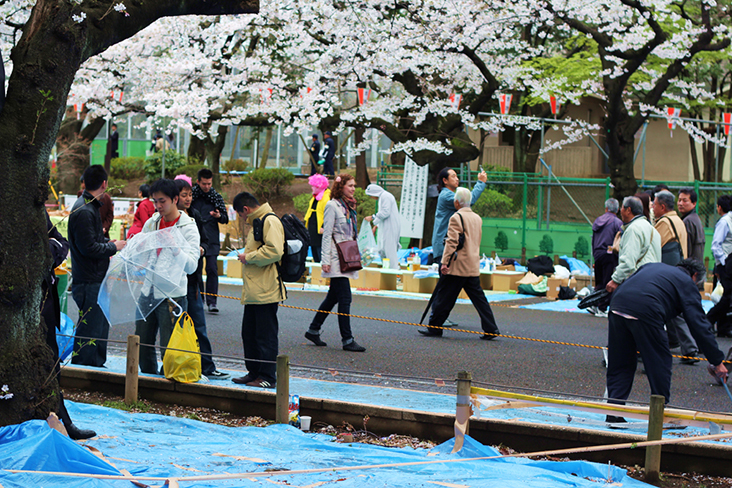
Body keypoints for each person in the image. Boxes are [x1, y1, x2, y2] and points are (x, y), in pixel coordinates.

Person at [605, 259, 727, 421]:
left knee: (620, 363)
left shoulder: (652, 266)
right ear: (695, 275)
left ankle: (614, 415)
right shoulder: (686, 282)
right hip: (647, 309)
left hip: (617, 305)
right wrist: (717, 361)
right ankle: (660, 416)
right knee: (659, 362)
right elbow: (699, 325)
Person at [134, 179, 200, 375]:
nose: (158, 206)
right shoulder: (152, 223)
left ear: (175, 199)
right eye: (155, 201)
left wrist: (175, 247)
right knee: (142, 342)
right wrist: (138, 249)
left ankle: (167, 384)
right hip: (148, 290)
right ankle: (147, 380)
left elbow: (191, 266)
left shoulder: (188, 227)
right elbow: (143, 256)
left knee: (170, 347)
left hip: (172, 295)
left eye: (162, 201)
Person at [418, 188, 501, 340]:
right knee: (479, 299)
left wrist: (444, 262)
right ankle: (491, 328)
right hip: (472, 264)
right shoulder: (477, 218)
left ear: (456, 202)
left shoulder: (456, 217)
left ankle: (435, 327)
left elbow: (451, 242)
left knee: (444, 297)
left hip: (457, 265)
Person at [42, 212, 96, 439]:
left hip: (45, 298)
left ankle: (63, 420)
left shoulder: (32, 202)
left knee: (50, 362)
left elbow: (59, 242)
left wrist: (49, 250)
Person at [69, 165, 125, 367]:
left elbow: (90, 244)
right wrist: (113, 247)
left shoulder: (89, 206)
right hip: (89, 280)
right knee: (90, 334)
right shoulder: (84, 210)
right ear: (104, 184)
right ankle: (86, 373)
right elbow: (88, 248)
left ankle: (95, 369)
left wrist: (106, 243)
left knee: (98, 329)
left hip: (94, 279)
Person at [174, 178, 230, 380]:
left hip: (193, 280)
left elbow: (205, 241)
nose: (188, 199)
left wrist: (201, 249)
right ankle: (174, 364)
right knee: (174, 328)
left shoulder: (195, 216)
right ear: (175, 197)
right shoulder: (166, 218)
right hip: (174, 282)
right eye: (184, 195)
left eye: (190, 194)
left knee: (199, 325)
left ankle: (207, 365)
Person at [304, 174, 366, 352]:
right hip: (335, 256)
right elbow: (327, 233)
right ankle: (347, 339)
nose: (353, 189)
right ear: (341, 187)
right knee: (345, 298)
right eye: (350, 186)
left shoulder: (349, 207)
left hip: (346, 254)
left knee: (333, 297)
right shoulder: (332, 205)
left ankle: (313, 329)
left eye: (354, 186)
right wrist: (325, 260)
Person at [231, 192, 286, 388]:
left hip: (266, 289)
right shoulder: (258, 222)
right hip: (255, 290)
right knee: (250, 334)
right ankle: (254, 372)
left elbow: (275, 251)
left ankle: (267, 377)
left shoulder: (269, 221)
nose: (241, 219)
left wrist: (249, 257)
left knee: (265, 336)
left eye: (240, 214)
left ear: (245, 209)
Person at [429, 166, 487, 326]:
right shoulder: (447, 196)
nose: (457, 179)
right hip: (445, 246)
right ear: (444, 180)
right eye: (453, 176)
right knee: (446, 286)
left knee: (448, 286)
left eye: (456, 176)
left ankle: (437, 319)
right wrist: (480, 183)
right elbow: (468, 201)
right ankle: (436, 317)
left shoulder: (448, 194)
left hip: (449, 246)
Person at [653, 189, 698, 361]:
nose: (653, 208)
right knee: (672, 309)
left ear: (662, 206)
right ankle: (678, 343)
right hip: (680, 270)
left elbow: (654, 245)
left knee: (670, 309)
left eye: (655, 205)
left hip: (667, 273)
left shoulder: (664, 222)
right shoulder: (678, 220)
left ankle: (690, 349)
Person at [191, 168, 229, 313]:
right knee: (197, 270)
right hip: (196, 238)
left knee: (212, 269)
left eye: (209, 184)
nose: (207, 187)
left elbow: (225, 218)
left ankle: (212, 301)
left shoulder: (216, 197)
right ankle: (199, 299)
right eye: (204, 184)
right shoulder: (192, 196)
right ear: (198, 182)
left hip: (212, 238)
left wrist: (219, 216)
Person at [606, 196, 661, 294]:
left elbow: (628, 261)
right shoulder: (652, 229)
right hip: (653, 279)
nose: (620, 211)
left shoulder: (633, 229)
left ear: (628, 210)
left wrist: (615, 279)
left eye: (622, 208)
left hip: (638, 281)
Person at [591, 198, 622, 314]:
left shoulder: (597, 220)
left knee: (598, 282)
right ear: (618, 209)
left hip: (598, 254)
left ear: (606, 208)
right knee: (608, 282)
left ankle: (593, 304)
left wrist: (595, 255)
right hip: (610, 255)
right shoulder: (617, 222)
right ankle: (602, 308)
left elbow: (593, 240)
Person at [708, 195, 732, 336]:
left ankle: (723, 328)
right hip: (725, 266)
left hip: (729, 264)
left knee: (727, 298)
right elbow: (716, 245)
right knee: (726, 298)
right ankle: (707, 320)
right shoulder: (724, 222)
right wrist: (723, 264)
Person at [364, 184, 401, 270]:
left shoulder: (386, 196)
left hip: (390, 228)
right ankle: (387, 271)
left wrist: (373, 217)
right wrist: (376, 225)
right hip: (385, 227)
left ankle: (394, 272)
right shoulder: (383, 197)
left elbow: (385, 212)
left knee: (389, 251)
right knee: (382, 249)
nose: (371, 198)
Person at [304, 174, 330, 262]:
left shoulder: (326, 198)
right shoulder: (316, 196)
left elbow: (328, 213)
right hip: (314, 228)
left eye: (313, 186)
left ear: (319, 186)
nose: (312, 188)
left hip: (320, 230)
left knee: (320, 251)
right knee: (314, 249)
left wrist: (324, 226)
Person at [678, 188, 705, 264]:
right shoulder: (694, 218)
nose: (680, 203)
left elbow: (686, 249)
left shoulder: (688, 221)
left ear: (694, 203)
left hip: (691, 267)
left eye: (685, 200)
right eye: (679, 200)